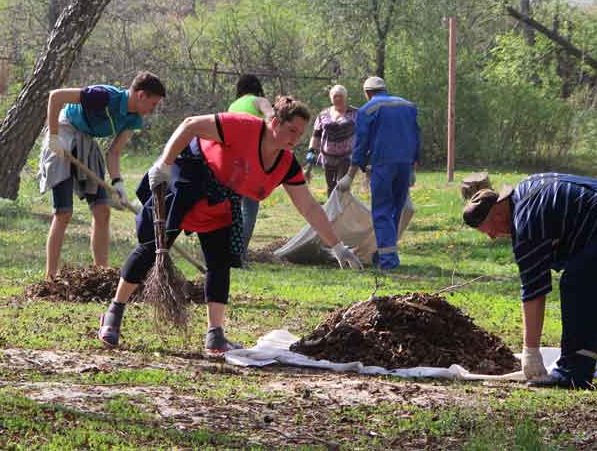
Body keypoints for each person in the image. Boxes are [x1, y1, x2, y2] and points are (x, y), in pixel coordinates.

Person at [97, 96, 363, 355]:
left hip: (221, 195)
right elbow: (190, 124)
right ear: (275, 123)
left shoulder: (285, 164)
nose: (295, 138)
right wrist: (164, 165)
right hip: (188, 175)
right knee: (153, 246)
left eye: (301, 133)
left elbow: (309, 207)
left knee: (219, 261)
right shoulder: (243, 127)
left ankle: (215, 333)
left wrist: (337, 246)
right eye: (291, 130)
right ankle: (114, 312)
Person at [462, 173, 597, 389]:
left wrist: (531, 352)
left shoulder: (525, 222)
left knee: (577, 283)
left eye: (489, 228)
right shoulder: (527, 190)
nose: (492, 236)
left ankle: (573, 372)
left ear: (498, 211)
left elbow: (533, 291)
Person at [39, 71, 166, 282]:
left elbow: (114, 152)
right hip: (64, 130)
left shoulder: (133, 119)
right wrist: (53, 136)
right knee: (64, 213)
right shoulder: (104, 96)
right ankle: (50, 277)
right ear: (141, 95)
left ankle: (101, 274)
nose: (152, 110)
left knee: (102, 211)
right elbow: (56, 96)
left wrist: (119, 183)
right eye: (153, 104)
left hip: (86, 140)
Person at [335, 76, 420, 270]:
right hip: (404, 164)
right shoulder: (408, 106)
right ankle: (384, 253)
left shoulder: (368, 110)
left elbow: (361, 143)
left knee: (381, 211)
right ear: (384, 89)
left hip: (383, 165)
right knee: (396, 210)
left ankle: (388, 261)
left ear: (367, 93)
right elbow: (416, 136)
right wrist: (413, 167)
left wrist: (350, 174)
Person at [227, 74, 273, 264]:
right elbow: (271, 116)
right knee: (250, 208)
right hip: (253, 161)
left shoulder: (233, 106)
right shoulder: (259, 101)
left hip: (231, 161)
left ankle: (229, 250)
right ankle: (240, 255)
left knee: (234, 209)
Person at [305, 84, 358, 196]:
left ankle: (343, 210)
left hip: (346, 156)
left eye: (340, 96)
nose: (338, 99)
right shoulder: (323, 114)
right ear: (331, 98)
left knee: (342, 185)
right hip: (328, 156)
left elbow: (363, 133)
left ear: (345, 97)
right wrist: (311, 151)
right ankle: (331, 211)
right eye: (335, 96)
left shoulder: (355, 113)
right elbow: (316, 134)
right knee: (330, 185)